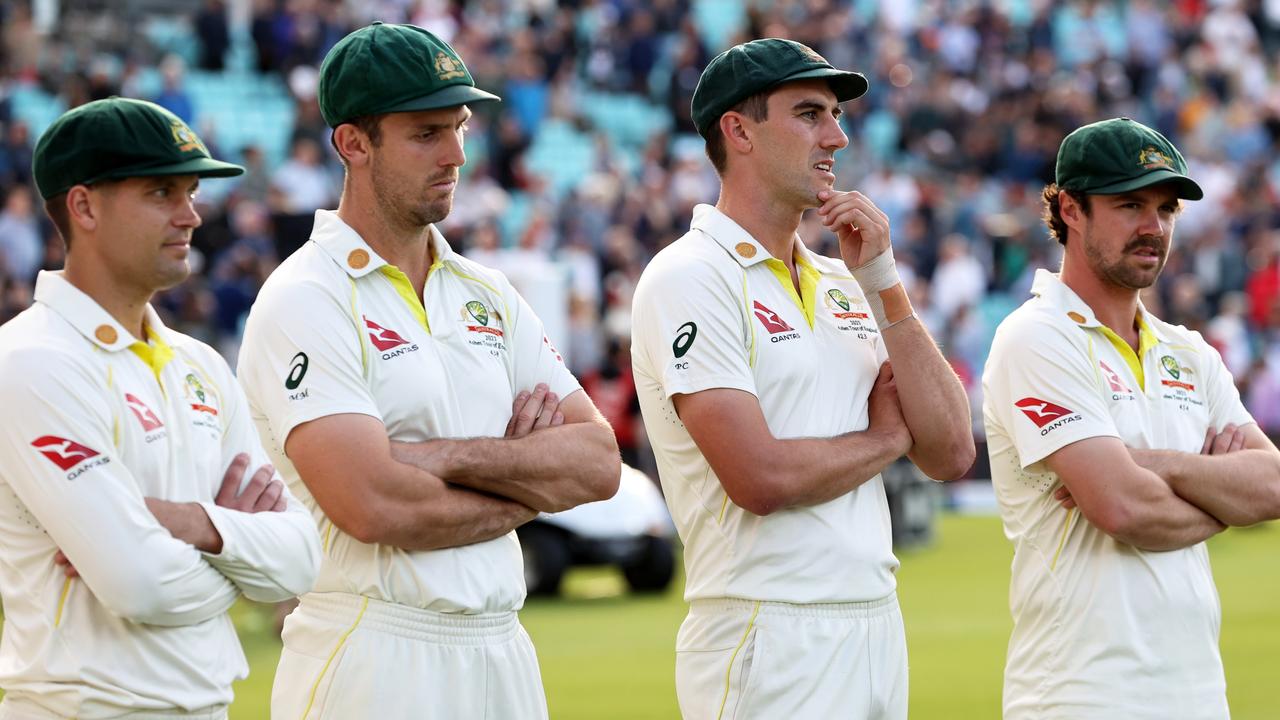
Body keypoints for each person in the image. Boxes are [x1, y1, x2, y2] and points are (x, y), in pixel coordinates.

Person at [234, 23, 620, 719]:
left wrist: (429, 458)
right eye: (425, 133)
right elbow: (373, 504)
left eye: (460, 126)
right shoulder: (305, 297)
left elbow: (597, 465)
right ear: (353, 143)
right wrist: (527, 481)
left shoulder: (488, 292)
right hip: (374, 649)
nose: (456, 155)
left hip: (502, 644)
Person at [630, 38, 974, 719]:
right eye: (811, 114)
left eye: (837, 116)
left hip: (874, 620)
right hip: (767, 628)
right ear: (739, 130)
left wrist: (883, 282)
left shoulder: (844, 279)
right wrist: (882, 440)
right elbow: (760, 478)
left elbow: (951, 450)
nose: (838, 137)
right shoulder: (690, 275)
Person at [0, 97, 321, 719]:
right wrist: (237, 550)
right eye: (161, 193)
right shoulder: (29, 361)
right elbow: (137, 585)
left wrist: (190, 522)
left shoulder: (199, 363)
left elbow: (301, 561)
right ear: (83, 205)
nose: (192, 216)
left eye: (192, 192)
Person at [982, 117, 1280, 719]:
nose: (1155, 227)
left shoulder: (1189, 352)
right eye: (1129, 204)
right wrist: (1221, 494)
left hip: (1198, 694)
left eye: (1166, 208)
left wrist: (1154, 465)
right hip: (1079, 696)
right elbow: (1124, 508)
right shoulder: (1036, 338)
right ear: (1070, 208)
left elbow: (1274, 486)